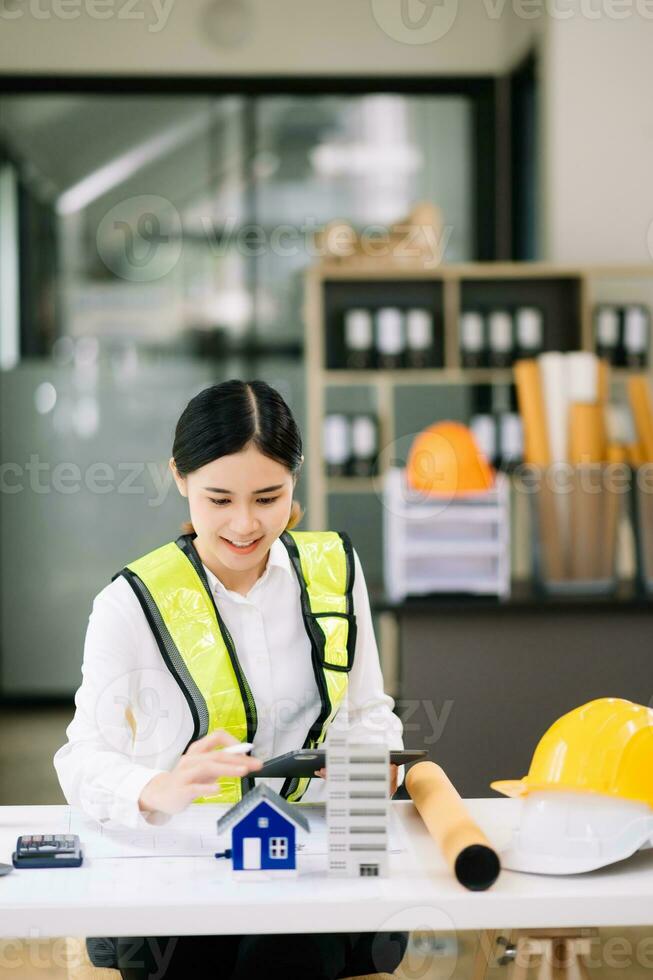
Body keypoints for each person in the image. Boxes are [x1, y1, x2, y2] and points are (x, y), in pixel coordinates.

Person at [54, 379, 407, 980]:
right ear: (180, 477)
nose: (245, 524)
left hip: (307, 858)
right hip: (180, 862)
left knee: (288, 956)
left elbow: (370, 713)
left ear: (295, 480)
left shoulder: (334, 572)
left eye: (268, 498)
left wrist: (371, 764)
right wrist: (159, 787)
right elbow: (82, 756)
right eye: (219, 500)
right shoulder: (130, 604)